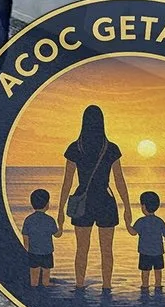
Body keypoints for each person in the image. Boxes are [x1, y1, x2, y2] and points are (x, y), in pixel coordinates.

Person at [56, 104, 133, 292]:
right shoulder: (111, 148)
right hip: (105, 201)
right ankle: (107, 286)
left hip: (82, 201)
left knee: (81, 249)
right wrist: (127, 207)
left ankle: (79, 285)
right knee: (107, 250)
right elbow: (119, 180)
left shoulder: (75, 148)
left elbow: (67, 182)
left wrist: (61, 210)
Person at [130, 190, 165, 293]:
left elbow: (133, 232)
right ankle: (158, 286)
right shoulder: (159, 221)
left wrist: (127, 224)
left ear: (143, 206)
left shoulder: (141, 221)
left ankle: (145, 287)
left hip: (145, 252)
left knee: (145, 272)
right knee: (158, 271)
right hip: (158, 252)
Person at [22, 188, 62, 287]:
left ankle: (34, 286)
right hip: (47, 252)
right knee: (46, 273)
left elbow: (25, 238)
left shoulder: (28, 220)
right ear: (47, 204)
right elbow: (57, 234)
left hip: (33, 252)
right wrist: (61, 226)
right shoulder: (50, 220)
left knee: (34, 274)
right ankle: (46, 284)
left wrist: (27, 250)